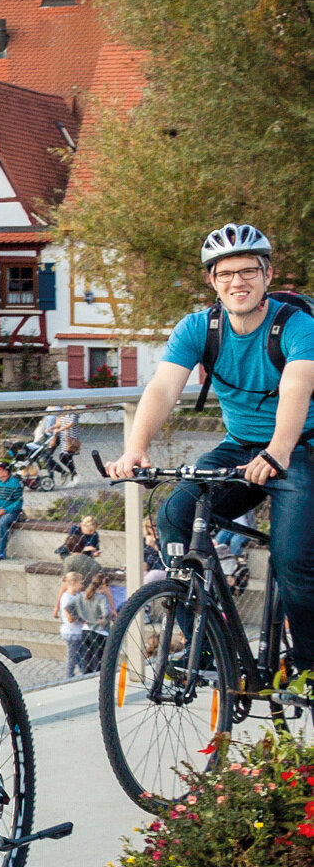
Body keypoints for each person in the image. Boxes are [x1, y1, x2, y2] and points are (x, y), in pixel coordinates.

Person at [109, 223, 314, 676]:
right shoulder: (199, 328)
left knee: (294, 559)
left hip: (299, 448)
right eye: (225, 274)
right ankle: (210, 643)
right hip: (240, 446)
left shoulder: (297, 326)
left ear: (267, 274)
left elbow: (297, 389)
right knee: (174, 517)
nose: (236, 282)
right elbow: (163, 388)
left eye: (247, 272)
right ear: (212, 280)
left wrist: (277, 452)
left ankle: (308, 668)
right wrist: (135, 449)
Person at [76, 571, 114, 673]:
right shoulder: (101, 598)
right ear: (104, 585)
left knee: (87, 659)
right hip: (100, 632)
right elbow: (106, 613)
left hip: (86, 630)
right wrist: (104, 621)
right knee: (98, 661)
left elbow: (72, 607)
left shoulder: (84, 595)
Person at [57, 571, 87, 678]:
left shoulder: (77, 595)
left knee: (79, 655)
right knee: (73, 656)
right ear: (74, 582)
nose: (82, 585)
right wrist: (83, 617)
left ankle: (85, 672)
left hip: (77, 630)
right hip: (72, 631)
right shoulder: (66, 598)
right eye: (81, 583)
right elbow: (70, 618)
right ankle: (69, 675)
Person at [48, 409, 81, 483]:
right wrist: (52, 428)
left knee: (63, 457)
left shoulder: (73, 412)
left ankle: (74, 474)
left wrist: (60, 430)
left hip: (71, 439)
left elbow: (71, 424)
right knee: (68, 458)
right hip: (64, 439)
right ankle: (74, 477)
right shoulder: (62, 413)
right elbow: (60, 423)